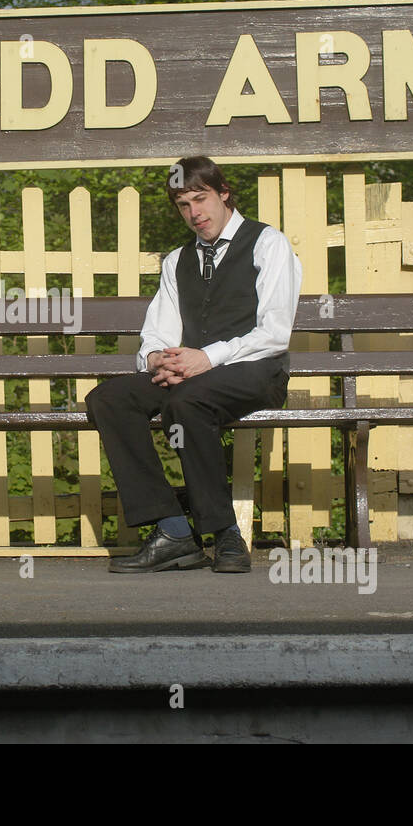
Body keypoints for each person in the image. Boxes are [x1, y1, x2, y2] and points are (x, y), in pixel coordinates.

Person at [85, 155, 302, 573]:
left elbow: (275, 332)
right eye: (183, 205)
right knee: (108, 399)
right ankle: (173, 531)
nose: (194, 213)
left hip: (256, 371)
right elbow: (158, 331)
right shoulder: (177, 260)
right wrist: (157, 359)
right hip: (194, 374)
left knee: (186, 403)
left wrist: (207, 357)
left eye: (200, 199)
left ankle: (225, 535)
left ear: (224, 194)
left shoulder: (267, 243)